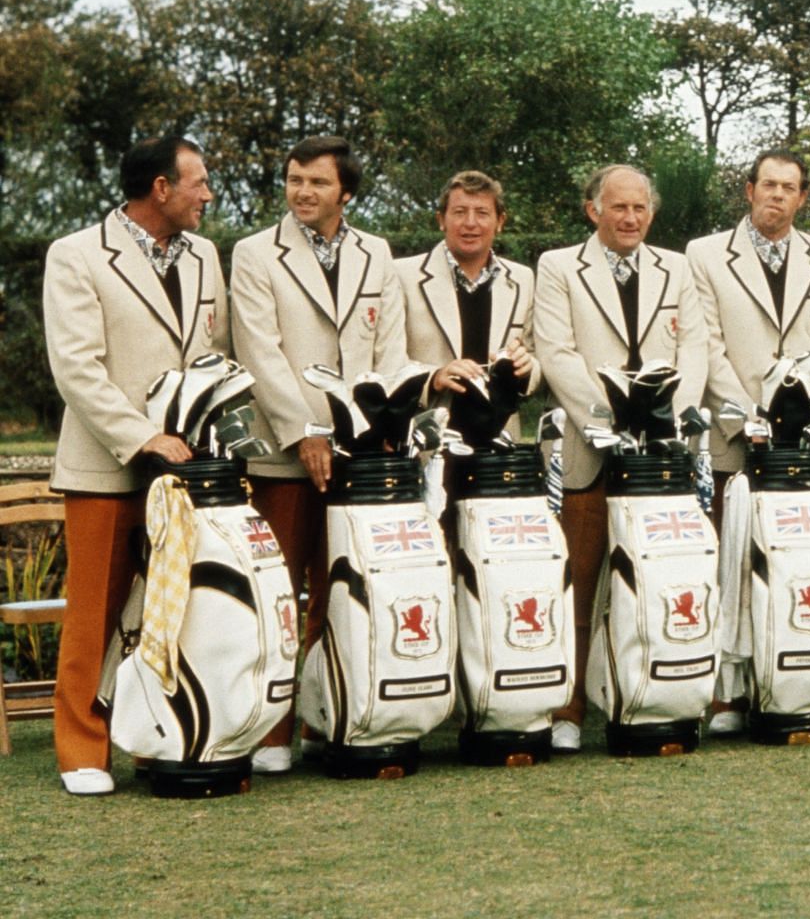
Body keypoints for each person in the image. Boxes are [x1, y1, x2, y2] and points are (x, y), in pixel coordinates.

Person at [41, 136, 226, 795]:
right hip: (107, 466)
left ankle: (160, 737)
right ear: (159, 189)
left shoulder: (206, 255)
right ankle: (82, 751)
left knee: (168, 612)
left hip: (188, 473)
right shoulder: (75, 255)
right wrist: (145, 437)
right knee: (94, 614)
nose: (207, 194)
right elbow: (77, 369)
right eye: (198, 182)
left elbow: (214, 352)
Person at [230, 134, 418, 773]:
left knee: (343, 588)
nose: (302, 192)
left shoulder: (377, 254)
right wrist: (306, 429)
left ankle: (327, 716)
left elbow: (388, 350)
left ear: (346, 191)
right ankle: (271, 732)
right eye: (293, 180)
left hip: (359, 456)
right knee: (279, 594)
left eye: (316, 182)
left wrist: (380, 420)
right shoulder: (256, 254)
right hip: (287, 452)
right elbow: (260, 351)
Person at [532, 164, 707, 751]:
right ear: (593, 211)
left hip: (658, 456)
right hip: (590, 449)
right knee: (578, 583)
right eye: (618, 208)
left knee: (654, 583)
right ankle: (567, 710)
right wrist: (606, 423)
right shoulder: (558, 267)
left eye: (639, 209)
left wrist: (664, 423)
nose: (630, 218)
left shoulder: (676, 268)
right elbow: (556, 353)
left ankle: (643, 701)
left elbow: (695, 349)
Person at [686, 150, 810, 734]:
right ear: (749, 189)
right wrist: (752, 416)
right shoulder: (706, 255)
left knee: (798, 564)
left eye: (789, 188)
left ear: (803, 198)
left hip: (806, 441)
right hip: (739, 438)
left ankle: (792, 682)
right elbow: (706, 347)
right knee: (733, 560)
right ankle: (729, 695)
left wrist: (807, 410)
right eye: (768, 185)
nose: (777, 196)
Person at [395, 170, 538, 423]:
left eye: (482, 213)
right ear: (441, 219)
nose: (470, 223)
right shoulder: (403, 276)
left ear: (500, 221)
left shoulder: (523, 279)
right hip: (426, 435)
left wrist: (527, 367)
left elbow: (538, 358)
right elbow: (386, 359)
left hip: (500, 437)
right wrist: (434, 377)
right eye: (459, 212)